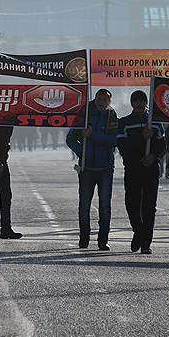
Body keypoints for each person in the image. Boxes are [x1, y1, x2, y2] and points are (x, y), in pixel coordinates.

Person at [67, 89, 118, 250]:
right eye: (99, 98)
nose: (102, 102)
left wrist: (92, 136)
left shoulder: (112, 116)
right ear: (95, 99)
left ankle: (103, 240)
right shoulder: (85, 114)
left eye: (105, 99)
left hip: (105, 167)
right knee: (84, 205)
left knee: (105, 205)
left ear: (109, 101)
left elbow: (113, 140)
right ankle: (84, 238)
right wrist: (82, 151)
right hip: (87, 167)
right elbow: (70, 139)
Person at [116, 90, 166, 254]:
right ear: (132, 104)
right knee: (131, 203)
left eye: (141, 101)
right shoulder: (124, 122)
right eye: (136, 101)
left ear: (146, 104)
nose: (139, 104)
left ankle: (146, 242)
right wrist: (142, 139)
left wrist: (152, 155)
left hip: (151, 168)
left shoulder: (155, 122)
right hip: (132, 168)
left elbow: (162, 145)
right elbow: (122, 146)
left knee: (149, 205)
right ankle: (138, 231)